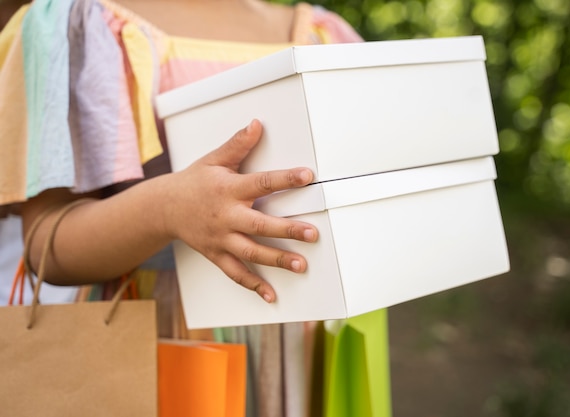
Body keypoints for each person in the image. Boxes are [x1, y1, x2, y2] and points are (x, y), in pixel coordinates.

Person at [1, 1, 375, 416]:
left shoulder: (321, 33)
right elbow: (44, 242)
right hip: (157, 335)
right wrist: (167, 208)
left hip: (304, 337)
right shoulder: (77, 24)